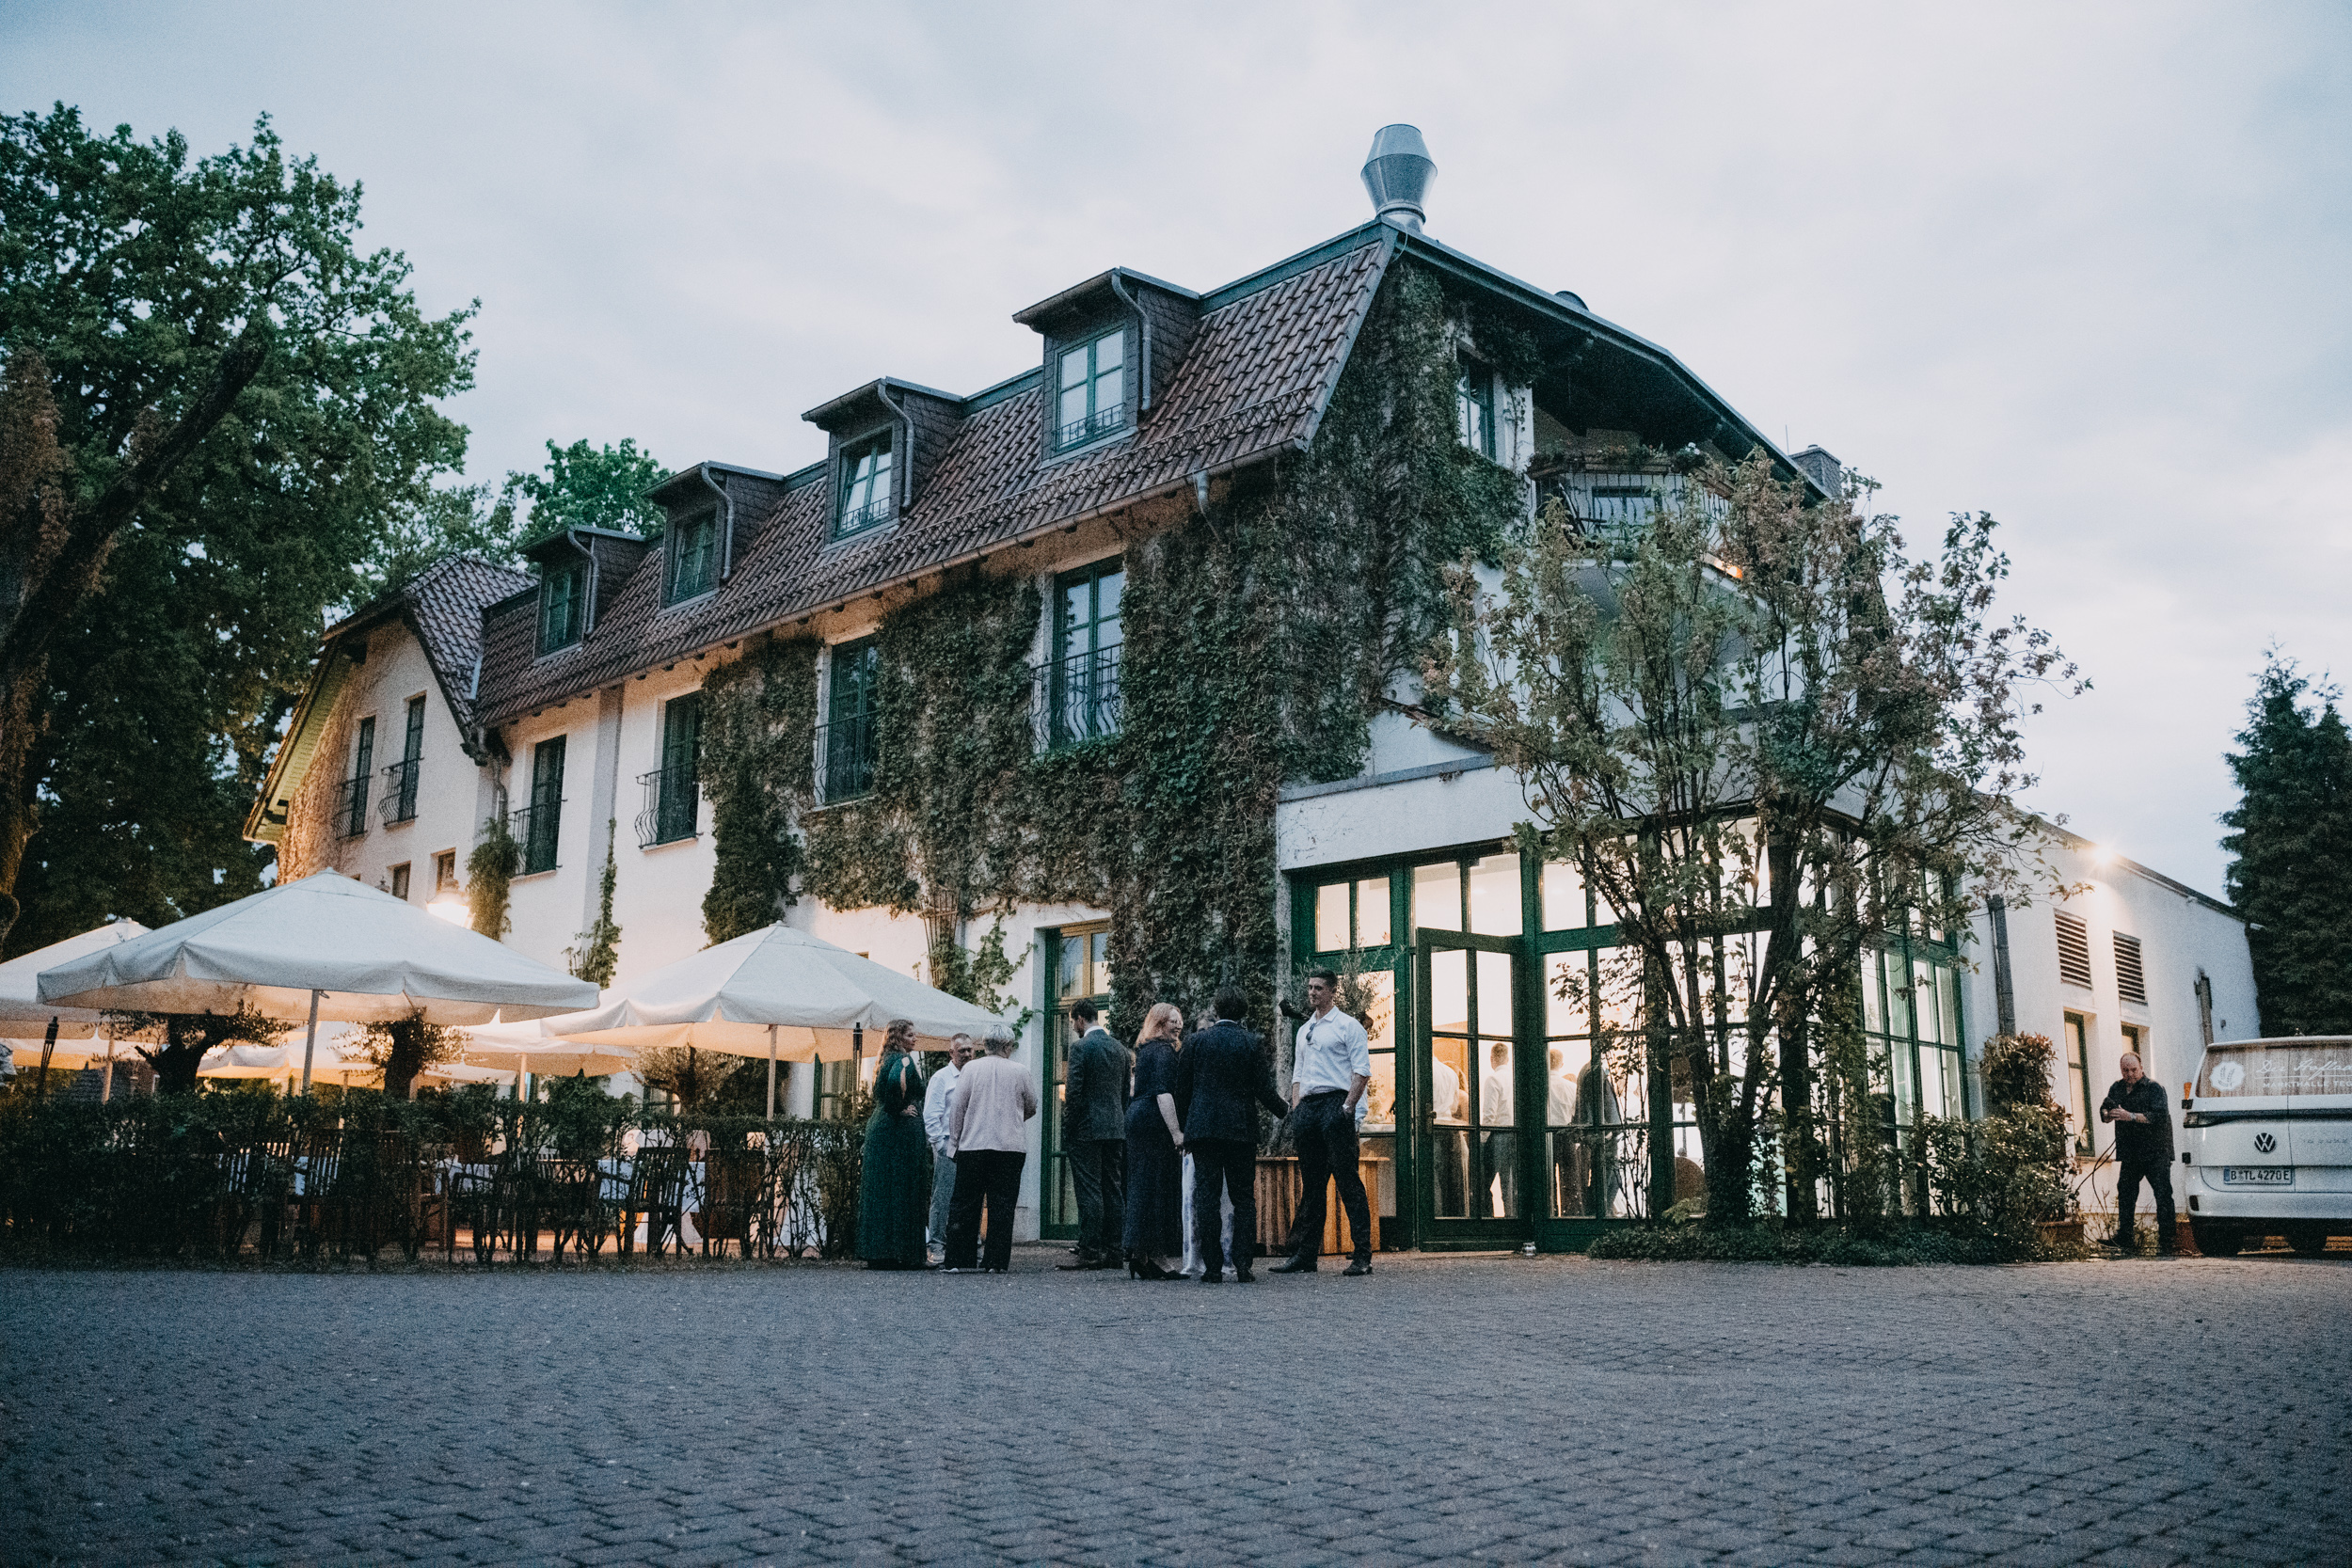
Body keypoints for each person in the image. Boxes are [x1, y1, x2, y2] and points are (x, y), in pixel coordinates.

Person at [1177, 986, 1289, 1283]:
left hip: (1203, 1130)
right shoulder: (1251, 1043)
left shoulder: (1196, 1041)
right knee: (1243, 1199)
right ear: (1244, 1012)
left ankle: (1212, 1267)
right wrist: (1286, 1110)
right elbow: (1263, 1090)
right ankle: (1243, 1265)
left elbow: (1182, 1089)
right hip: (1240, 1130)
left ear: (1216, 1009)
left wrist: (1185, 1128)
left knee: (1207, 1197)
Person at [1271, 968, 1375, 1277]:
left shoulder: (1348, 1026)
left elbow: (1362, 1072)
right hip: (1310, 1108)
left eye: (1318, 988)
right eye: (1310, 988)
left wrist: (1347, 1108)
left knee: (1347, 1182)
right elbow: (1298, 1073)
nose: (1312, 993)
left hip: (1336, 1103)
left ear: (1331, 992)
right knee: (1313, 1186)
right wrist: (1297, 1106)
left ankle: (1363, 1255)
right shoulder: (1306, 1030)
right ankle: (1305, 1255)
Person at [945, 1024, 1037, 1274]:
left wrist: (954, 1143)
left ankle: (959, 1259)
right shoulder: (1021, 1071)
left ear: (985, 1046)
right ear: (1007, 1046)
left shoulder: (970, 1069)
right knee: (1003, 1205)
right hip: (1010, 1146)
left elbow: (958, 1109)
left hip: (973, 1144)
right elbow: (1031, 1105)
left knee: (965, 1203)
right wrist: (1014, 1117)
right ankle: (995, 1261)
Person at [855, 1020, 932, 1270]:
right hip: (898, 1134)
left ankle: (879, 1252)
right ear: (899, 1038)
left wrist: (893, 1108)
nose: (915, 1039)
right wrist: (899, 1108)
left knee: (881, 1191)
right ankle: (905, 1253)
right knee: (904, 1188)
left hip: (881, 1130)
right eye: (911, 1035)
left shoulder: (884, 1059)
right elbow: (892, 1085)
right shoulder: (903, 1061)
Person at [1059, 1000, 1130, 1271]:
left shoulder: (1080, 1048)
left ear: (1079, 1018)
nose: (1073, 1027)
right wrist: (1116, 1120)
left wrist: (1069, 1128)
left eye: (1072, 1022)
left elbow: (1073, 1093)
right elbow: (1124, 1093)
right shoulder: (1120, 1050)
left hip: (1087, 1129)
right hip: (1114, 1127)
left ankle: (1089, 1251)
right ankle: (1114, 1251)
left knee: (1089, 1189)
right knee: (1112, 1188)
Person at [1121, 1002, 1187, 1279]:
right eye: (1173, 1020)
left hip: (1138, 1119)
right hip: (1153, 1123)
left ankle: (1141, 1255)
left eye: (1180, 1020)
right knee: (1156, 1189)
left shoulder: (1146, 1050)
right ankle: (1152, 1256)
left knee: (1141, 1186)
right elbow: (1163, 1094)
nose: (1179, 1025)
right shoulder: (1163, 1053)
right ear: (1160, 1023)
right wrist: (1176, 1133)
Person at [2100, 1050, 2177, 1255]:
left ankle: (2167, 1242)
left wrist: (2130, 1116)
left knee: (2162, 1194)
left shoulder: (2154, 1089)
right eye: (2125, 1070)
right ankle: (2125, 1237)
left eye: (2133, 1069)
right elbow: (2105, 1109)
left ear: (2141, 1068)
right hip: (2131, 1151)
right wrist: (2108, 1115)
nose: (2130, 1074)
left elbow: (2159, 1117)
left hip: (2155, 1150)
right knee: (2125, 1191)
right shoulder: (2117, 1088)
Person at [922, 1032, 973, 1265]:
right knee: (943, 1196)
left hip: (972, 1144)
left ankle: (966, 1244)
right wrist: (940, 1145)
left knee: (967, 1197)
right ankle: (936, 1244)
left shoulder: (975, 1076)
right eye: (962, 1050)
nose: (967, 1054)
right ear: (951, 1052)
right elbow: (931, 1114)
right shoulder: (941, 1078)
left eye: (970, 1050)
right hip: (947, 1143)